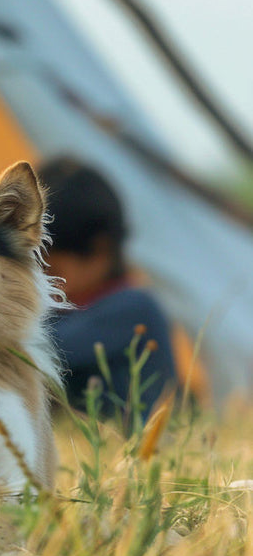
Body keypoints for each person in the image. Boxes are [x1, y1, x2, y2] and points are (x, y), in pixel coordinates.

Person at [39, 156, 176, 420]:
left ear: (100, 251)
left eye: (53, 271)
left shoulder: (134, 308)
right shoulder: (68, 310)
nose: (45, 283)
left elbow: (45, 348)